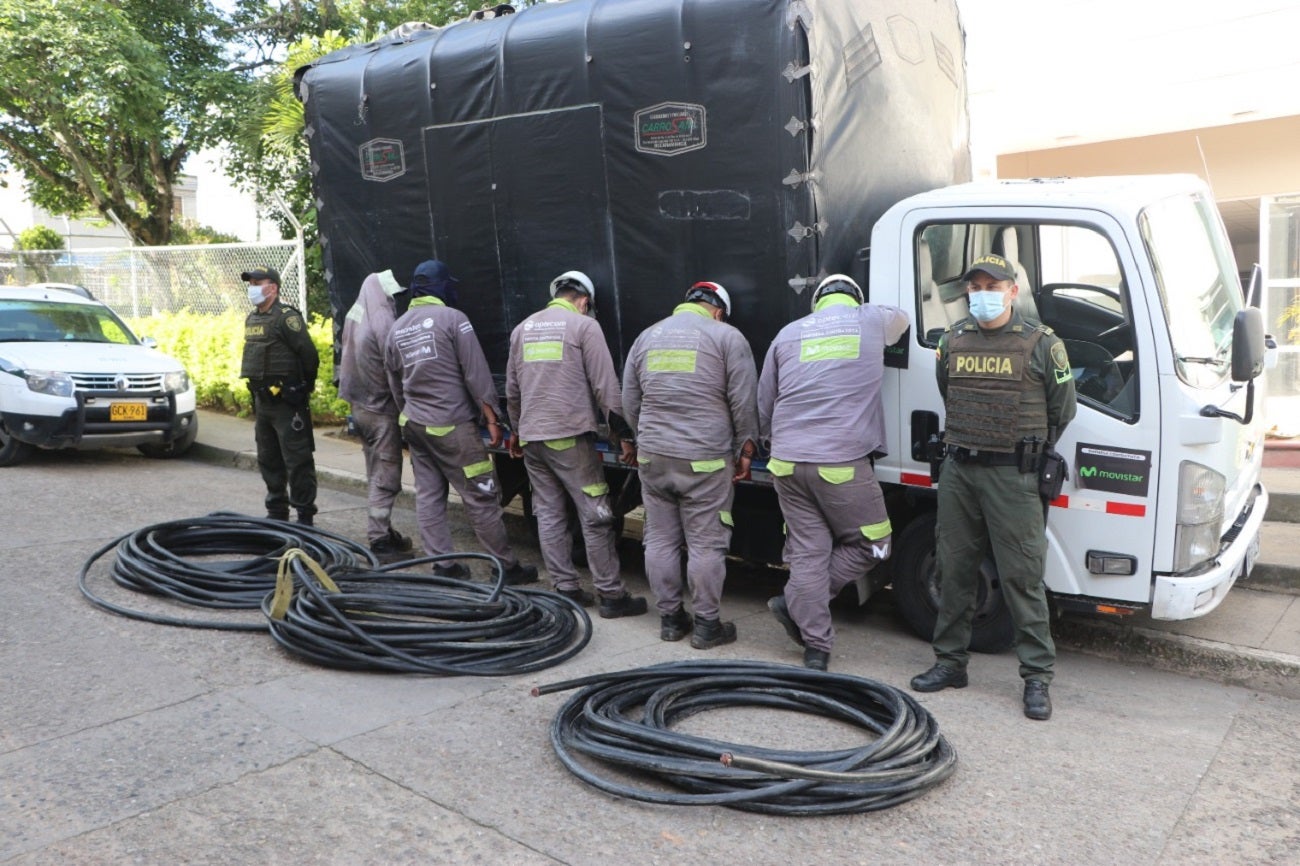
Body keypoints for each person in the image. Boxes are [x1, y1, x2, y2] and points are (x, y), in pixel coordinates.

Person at [909, 253, 1077, 721]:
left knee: (1022, 576)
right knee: (953, 569)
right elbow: (949, 392)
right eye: (976, 286)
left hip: (1013, 475)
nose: (983, 294)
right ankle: (950, 663)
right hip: (960, 470)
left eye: (993, 286)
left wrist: (1024, 450)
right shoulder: (952, 340)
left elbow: (1062, 410)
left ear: (1012, 291)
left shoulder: (1042, 344)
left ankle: (1037, 677)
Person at [757, 274, 909, 670]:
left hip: (787, 463)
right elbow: (902, 320)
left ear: (817, 302)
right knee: (875, 543)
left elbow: (765, 401)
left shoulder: (788, 333)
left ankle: (817, 648)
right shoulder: (870, 318)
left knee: (809, 552)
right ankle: (796, 604)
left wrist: (774, 443)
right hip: (840, 463)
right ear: (855, 298)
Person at [622, 281, 759, 649]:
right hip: (704, 460)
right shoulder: (727, 336)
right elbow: (743, 401)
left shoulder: (647, 336)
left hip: (653, 456)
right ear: (719, 311)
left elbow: (629, 401)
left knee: (659, 539)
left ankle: (670, 620)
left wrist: (643, 439)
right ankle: (707, 626)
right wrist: (745, 450)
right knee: (705, 544)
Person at [383, 259, 537, 584]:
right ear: (441, 287)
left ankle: (443, 566)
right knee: (481, 494)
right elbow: (475, 372)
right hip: (451, 425)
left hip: (415, 424)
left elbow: (395, 384)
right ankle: (506, 567)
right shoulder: (454, 319)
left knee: (429, 496)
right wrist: (492, 418)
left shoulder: (396, 329)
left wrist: (408, 412)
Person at [505, 270, 647, 617]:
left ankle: (565, 588)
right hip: (569, 437)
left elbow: (512, 389)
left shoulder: (522, 329)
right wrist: (624, 437)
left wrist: (517, 431)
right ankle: (611, 595)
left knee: (549, 514)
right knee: (595, 513)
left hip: (533, 438)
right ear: (584, 301)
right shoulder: (585, 326)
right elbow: (605, 387)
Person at [338, 269, 413, 560]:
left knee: (374, 471)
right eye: (391, 295)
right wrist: (406, 406)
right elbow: (394, 367)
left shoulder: (355, 315)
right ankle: (379, 540)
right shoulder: (382, 321)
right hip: (380, 409)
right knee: (386, 476)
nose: (393, 300)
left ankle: (384, 529)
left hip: (358, 407)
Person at [240, 267, 319, 525]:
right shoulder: (252, 319)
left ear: (272, 288)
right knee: (268, 458)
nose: (252, 288)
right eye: (250, 283)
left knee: (297, 460)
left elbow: (309, 355)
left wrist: (303, 387)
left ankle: (304, 516)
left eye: (257, 283)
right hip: (263, 402)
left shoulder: (286, 318)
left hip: (286, 403)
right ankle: (277, 512)